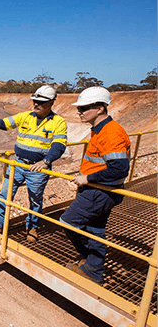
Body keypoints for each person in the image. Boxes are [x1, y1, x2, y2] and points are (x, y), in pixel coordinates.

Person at [0, 85, 67, 242]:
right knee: (5, 193)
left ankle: (32, 227)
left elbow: (59, 145)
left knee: (35, 199)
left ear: (52, 102)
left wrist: (46, 161)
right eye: (35, 101)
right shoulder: (26, 116)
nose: (36, 104)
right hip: (17, 164)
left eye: (41, 102)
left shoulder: (58, 122)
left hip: (37, 168)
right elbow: (6, 123)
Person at [60, 86, 130, 284]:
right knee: (95, 229)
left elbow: (119, 169)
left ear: (100, 108)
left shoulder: (110, 133)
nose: (79, 112)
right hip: (101, 190)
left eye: (84, 108)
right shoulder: (100, 130)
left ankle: (89, 261)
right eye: (79, 108)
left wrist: (87, 179)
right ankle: (93, 269)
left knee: (68, 222)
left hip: (100, 192)